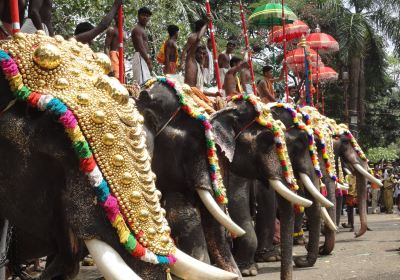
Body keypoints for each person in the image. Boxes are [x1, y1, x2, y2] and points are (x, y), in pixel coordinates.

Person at [183, 21, 208, 90]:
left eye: (204, 54)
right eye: (200, 53)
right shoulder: (190, 60)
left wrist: (215, 94)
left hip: (196, 96)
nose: (202, 56)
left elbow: (199, 91)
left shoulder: (199, 66)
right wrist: (207, 23)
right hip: (189, 98)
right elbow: (198, 38)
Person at [131, 7, 153, 84]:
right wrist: (148, 61)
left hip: (143, 57)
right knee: (142, 84)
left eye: (147, 16)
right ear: (138, 16)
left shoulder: (142, 29)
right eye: (143, 15)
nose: (145, 17)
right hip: (141, 56)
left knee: (146, 83)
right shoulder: (137, 29)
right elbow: (140, 47)